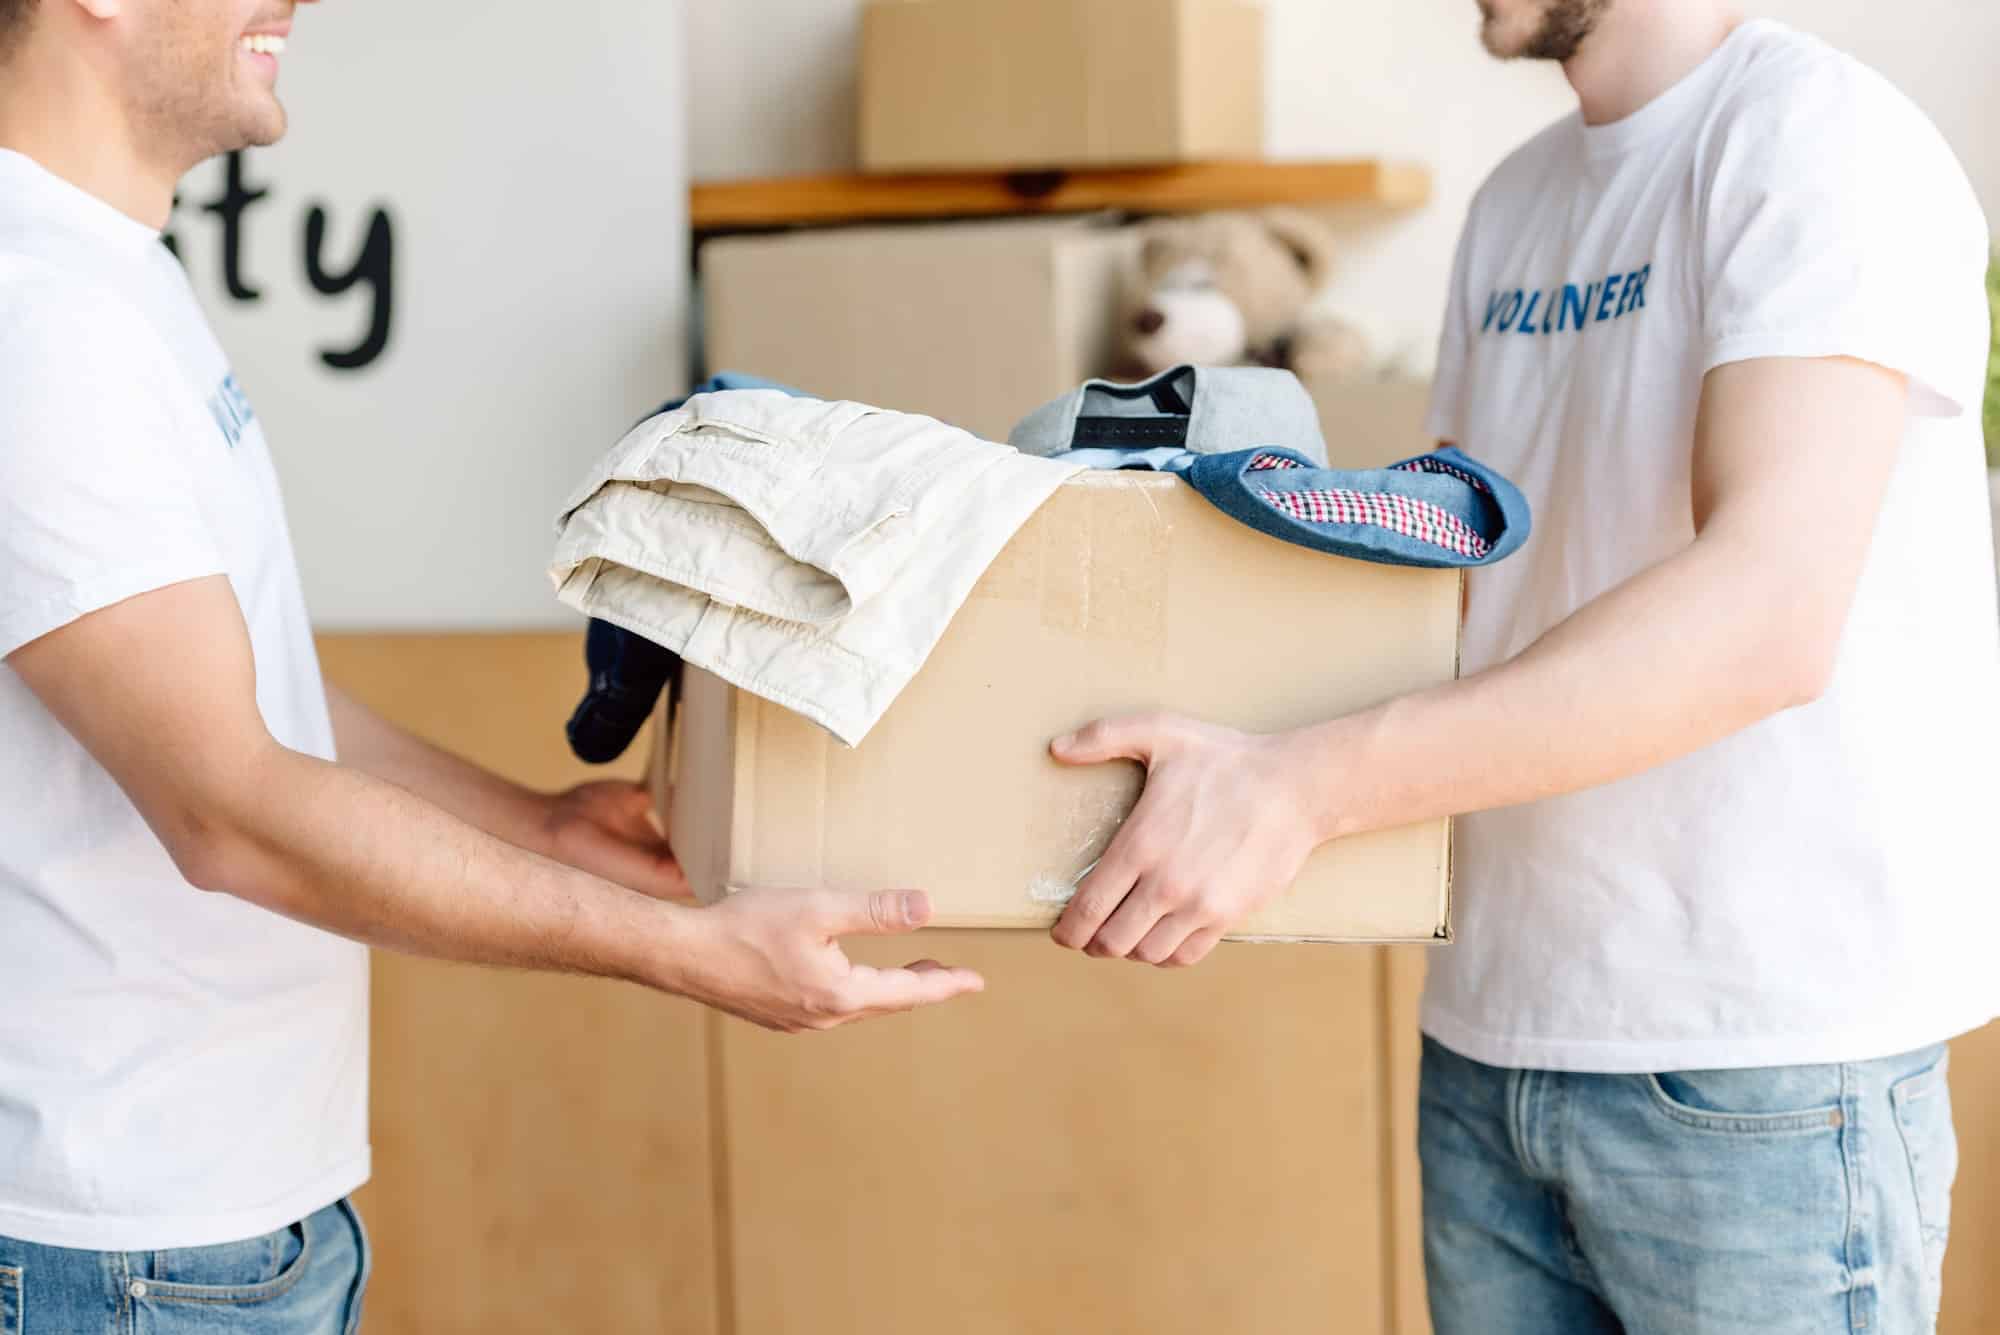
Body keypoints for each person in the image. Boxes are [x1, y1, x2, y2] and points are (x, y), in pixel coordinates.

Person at [0, 1, 982, 1329]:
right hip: (113, 1251)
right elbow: (227, 809)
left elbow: (256, 706)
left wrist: (542, 826)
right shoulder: (38, 312)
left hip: (216, 1216)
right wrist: (682, 952)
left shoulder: (109, 273)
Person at [1049, 1, 1996, 1330]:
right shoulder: (1515, 202)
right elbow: (1464, 581)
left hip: (1759, 1068)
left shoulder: (1814, 138)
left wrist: (1299, 788)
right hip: (1492, 1038)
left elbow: (1767, 616)